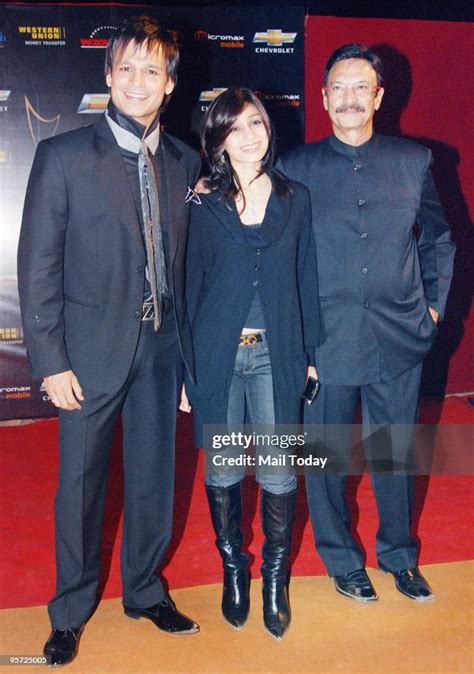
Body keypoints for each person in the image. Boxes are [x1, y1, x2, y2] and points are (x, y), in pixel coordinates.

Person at [17, 16, 201, 666]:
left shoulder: (184, 162)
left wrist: (188, 363)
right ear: (107, 76)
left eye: (152, 69)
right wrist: (51, 361)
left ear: (170, 83)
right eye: (126, 68)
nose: (137, 81)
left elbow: (190, 272)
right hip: (86, 356)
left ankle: (146, 591)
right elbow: (36, 265)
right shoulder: (64, 156)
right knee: (81, 487)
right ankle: (69, 611)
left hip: (160, 354)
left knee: (154, 482)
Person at [278, 43, 455, 603]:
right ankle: (341, 559)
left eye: (361, 87)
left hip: (397, 336)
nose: (350, 98)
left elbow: (441, 238)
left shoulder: (414, 161)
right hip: (325, 339)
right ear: (324, 99)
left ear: (378, 96)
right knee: (327, 458)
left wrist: (432, 308)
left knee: (394, 453)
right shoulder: (295, 167)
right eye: (339, 88)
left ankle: (400, 555)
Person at [186, 87, 323, 639]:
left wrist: (309, 354)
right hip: (217, 357)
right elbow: (189, 282)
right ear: (218, 139)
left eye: (257, 124)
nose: (249, 136)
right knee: (221, 469)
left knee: (278, 470)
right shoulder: (201, 201)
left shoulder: (297, 197)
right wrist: (186, 370)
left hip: (277, 355)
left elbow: (306, 276)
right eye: (235, 127)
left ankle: (273, 577)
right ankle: (233, 571)